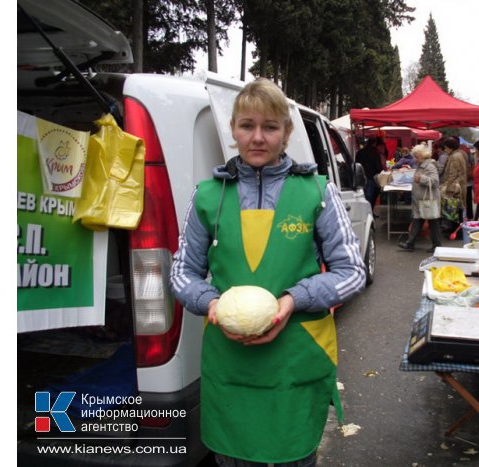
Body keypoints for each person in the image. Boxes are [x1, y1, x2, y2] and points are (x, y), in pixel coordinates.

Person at [169, 78, 366, 467]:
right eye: (247, 125)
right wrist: (210, 303)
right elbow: (182, 272)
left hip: (296, 355)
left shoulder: (317, 192)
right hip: (231, 359)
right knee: (232, 457)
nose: (257, 137)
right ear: (233, 130)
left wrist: (294, 299)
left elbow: (352, 271)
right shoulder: (209, 195)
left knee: (294, 457)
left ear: (286, 133)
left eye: (270, 127)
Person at [397, 143, 444, 252]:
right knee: (418, 221)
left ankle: (436, 245)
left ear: (422, 156)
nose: (415, 159)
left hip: (427, 200)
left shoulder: (430, 166)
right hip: (422, 199)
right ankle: (410, 243)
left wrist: (421, 179)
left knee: (431, 223)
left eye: (416, 157)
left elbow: (435, 181)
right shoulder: (422, 165)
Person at [440, 137, 469, 232]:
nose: (445, 150)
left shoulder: (454, 157)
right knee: (458, 209)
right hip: (460, 185)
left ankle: (456, 230)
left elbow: (452, 174)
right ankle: (457, 229)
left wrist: (447, 188)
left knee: (454, 209)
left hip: (455, 188)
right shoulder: (460, 154)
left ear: (450, 147)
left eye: (446, 148)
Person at [355, 137, 383, 209]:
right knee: (370, 197)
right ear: (374, 143)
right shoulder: (375, 153)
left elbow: (356, 163)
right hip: (371, 177)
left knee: (362, 196)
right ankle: (369, 213)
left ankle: (364, 213)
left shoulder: (359, 152)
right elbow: (379, 167)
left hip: (360, 177)